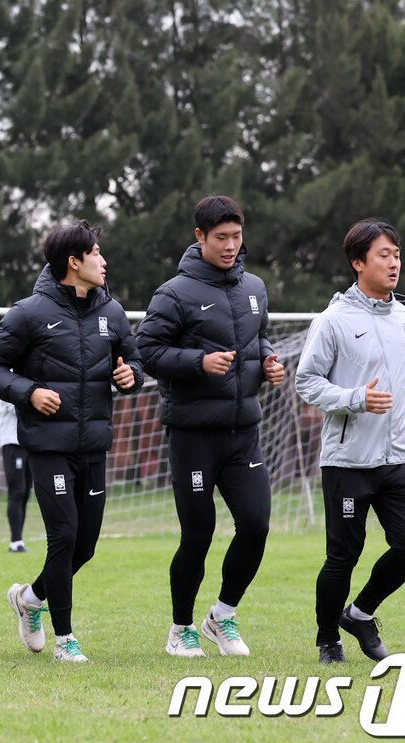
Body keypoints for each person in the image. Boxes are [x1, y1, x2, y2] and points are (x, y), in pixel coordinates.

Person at [0, 220, 143, 663]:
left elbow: (135, 362)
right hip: (48, 445)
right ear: (74, 262)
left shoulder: (113, 313)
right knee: (64, 536)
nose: (104, 261)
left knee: (84, 545)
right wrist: (29, 391)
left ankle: (30, 599)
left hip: (93, 446)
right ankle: (66, 640)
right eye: (97, 253)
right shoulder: (28, 312)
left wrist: (131, 376)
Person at [136, 196, 285, 658]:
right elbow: (148, 352)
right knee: (198, 535)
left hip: (244, 433)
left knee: (257, 524)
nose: (230, 245)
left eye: (237, 237)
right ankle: (180, 628)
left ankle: (222, 616)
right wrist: (199, 362)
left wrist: (270, 363)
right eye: (221, 238)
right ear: (199, 237)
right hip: (193, 435)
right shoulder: (173, 293)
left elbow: (257, 340)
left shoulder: (255, 287)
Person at [295, 218, 405, 665]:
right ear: (358, 262)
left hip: (400, 457)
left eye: (397, 255)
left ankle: (360, 613)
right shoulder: (333, 321)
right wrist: (356, 399)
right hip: (349, 460)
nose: (394, 264)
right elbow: (307, 382)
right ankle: (327, 640)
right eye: (383, 255)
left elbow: (403, 381)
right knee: (343, 556)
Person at [0, 399, 32, 553]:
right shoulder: (6, 380)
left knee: (25, 492)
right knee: (17, 490)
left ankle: (19, 539)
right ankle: (15, 541)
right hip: (12, 442)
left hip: (30, 443)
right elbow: (16, 408)